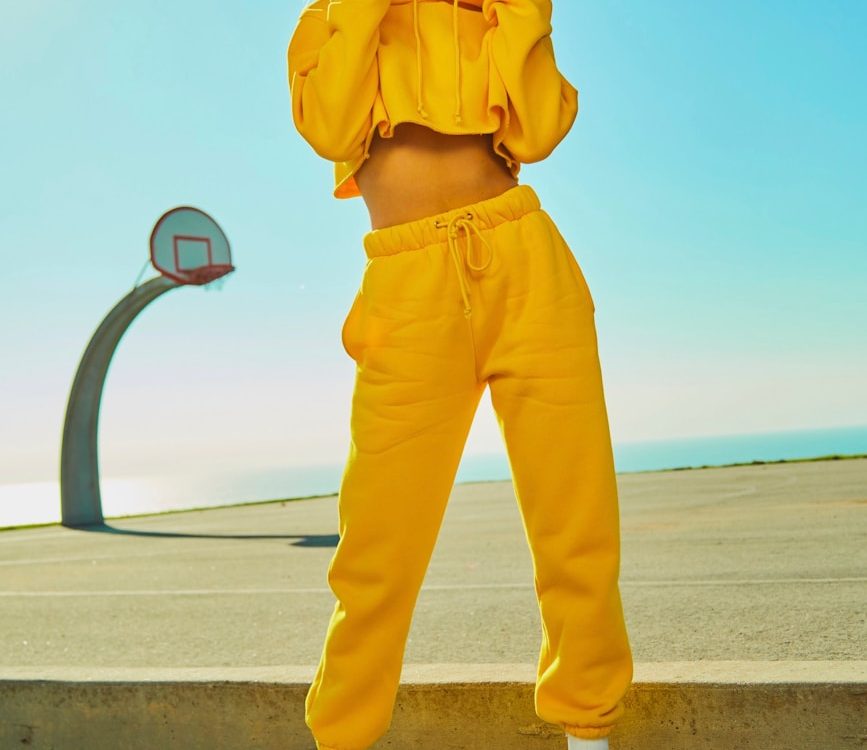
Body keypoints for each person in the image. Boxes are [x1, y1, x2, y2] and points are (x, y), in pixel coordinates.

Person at [286, 1, 633, 748]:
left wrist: (520, 13)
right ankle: (344, 737)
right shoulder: (331, 19)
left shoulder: (494, 15)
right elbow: (329, 131)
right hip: (407, 290)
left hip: (525, 262)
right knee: (377, 541)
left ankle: (587, 729)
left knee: (576, 518)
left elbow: (537, 132)